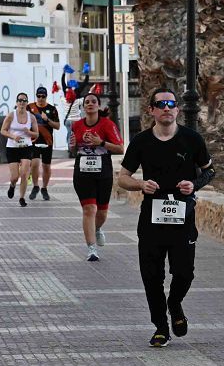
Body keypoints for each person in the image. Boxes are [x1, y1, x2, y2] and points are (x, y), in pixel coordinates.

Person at [118, 88, 214, 348]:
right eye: (160, 104)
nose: (166, 108)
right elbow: (123, 178)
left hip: (183, 217)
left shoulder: (192, 139)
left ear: (178, 109)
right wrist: (140, 185)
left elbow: (209, 171)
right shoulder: (141, 142)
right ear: (151, 110)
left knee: (184, 273)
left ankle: (174, 304)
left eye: (171, 104)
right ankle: (161, 327)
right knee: (151, 277)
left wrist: (194, 185)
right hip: (151, 218)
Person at [70, 93, 124, 261]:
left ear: (99, 106)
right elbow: (73, 150)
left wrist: (100, 142)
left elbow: (120, 148)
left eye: (94, 101)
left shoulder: (107, 124)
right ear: (83, 107)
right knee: (89, 209)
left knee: (101, 213)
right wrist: (72, 146)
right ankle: (91, 249)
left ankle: (98, 228)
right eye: (87, 102)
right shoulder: (77, 126)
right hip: (83, 172)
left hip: (103, 171)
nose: (90, 104)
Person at [0, 93, 39, 207]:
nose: (22, 103)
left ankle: (22, 198)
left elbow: (36, 134)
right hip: (12, 148)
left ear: (27, 103)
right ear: (16, 102)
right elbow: (3, 130)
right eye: (20, 100)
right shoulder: (11, 116)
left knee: (24, 174)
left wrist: (29, 133)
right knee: (15, 177)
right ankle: (12, 185)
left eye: (24, 101)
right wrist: (13, 136)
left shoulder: (31, 117)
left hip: (26, 147)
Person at [27, 86, 61, 201]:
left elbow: (57, 126)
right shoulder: (30, 107)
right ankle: (35, 186)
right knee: (35, 164)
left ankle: (44, 188)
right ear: (36, 96)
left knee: (46, 166)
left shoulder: (51, 109)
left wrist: (47, 120)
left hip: (47, 140)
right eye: (39, 96)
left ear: (46, 96)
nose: (41, 98)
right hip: (34, 140)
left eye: (43, 96)